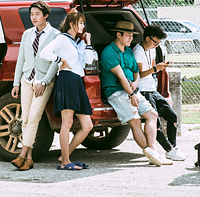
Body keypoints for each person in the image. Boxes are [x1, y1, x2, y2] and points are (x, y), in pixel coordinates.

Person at [100, 20, 171, 166]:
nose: (131, 38)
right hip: (116, 92)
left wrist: (135, 84)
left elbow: (136, 73)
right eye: (127, 35)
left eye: (132, 35)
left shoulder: (128, 51)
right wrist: (132, 95)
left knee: (152, 115)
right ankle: (151, 152)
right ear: (118, 34)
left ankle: (152, 151)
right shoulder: (109, 52)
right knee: (135, 120)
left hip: (132, 90)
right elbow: (120, 76)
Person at [40, 9, 95, 171]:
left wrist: (88, 44)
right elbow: (44, 52)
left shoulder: (79, 42)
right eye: (81, 23)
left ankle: (66, 154)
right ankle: (65, 161)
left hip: (77, 81)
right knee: (67, 122)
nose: (83, 26)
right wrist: (60, 60)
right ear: (72, 24)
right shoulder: (62, 39)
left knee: (87, 125)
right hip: (66, 79)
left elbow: (89, 62)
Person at [10, 1, 60, 171]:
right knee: (25, 119)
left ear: (46, 15)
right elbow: (21, 60)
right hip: (26, 80)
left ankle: (22, 155)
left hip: (42, 82)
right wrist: (16, 83)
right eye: (32, 14)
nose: (33, 17)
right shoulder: (27, 34)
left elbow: (56, 62)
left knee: (33, 118)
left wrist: (45, 81)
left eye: (37, 14)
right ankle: (29, 158)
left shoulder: (55, 34)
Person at [132, 24, 186, 161]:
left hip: (152, 89)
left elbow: (153, 67)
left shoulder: (152, 50)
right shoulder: (138, 51)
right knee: (155, 122)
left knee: (172, 116)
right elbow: (138, 74)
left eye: (159, 43)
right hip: (143, 91)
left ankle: (173, 148)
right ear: (147, 38)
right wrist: (156, 69)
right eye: (155, 42)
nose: (157, 45)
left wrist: (160, 67)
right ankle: (168, 148)